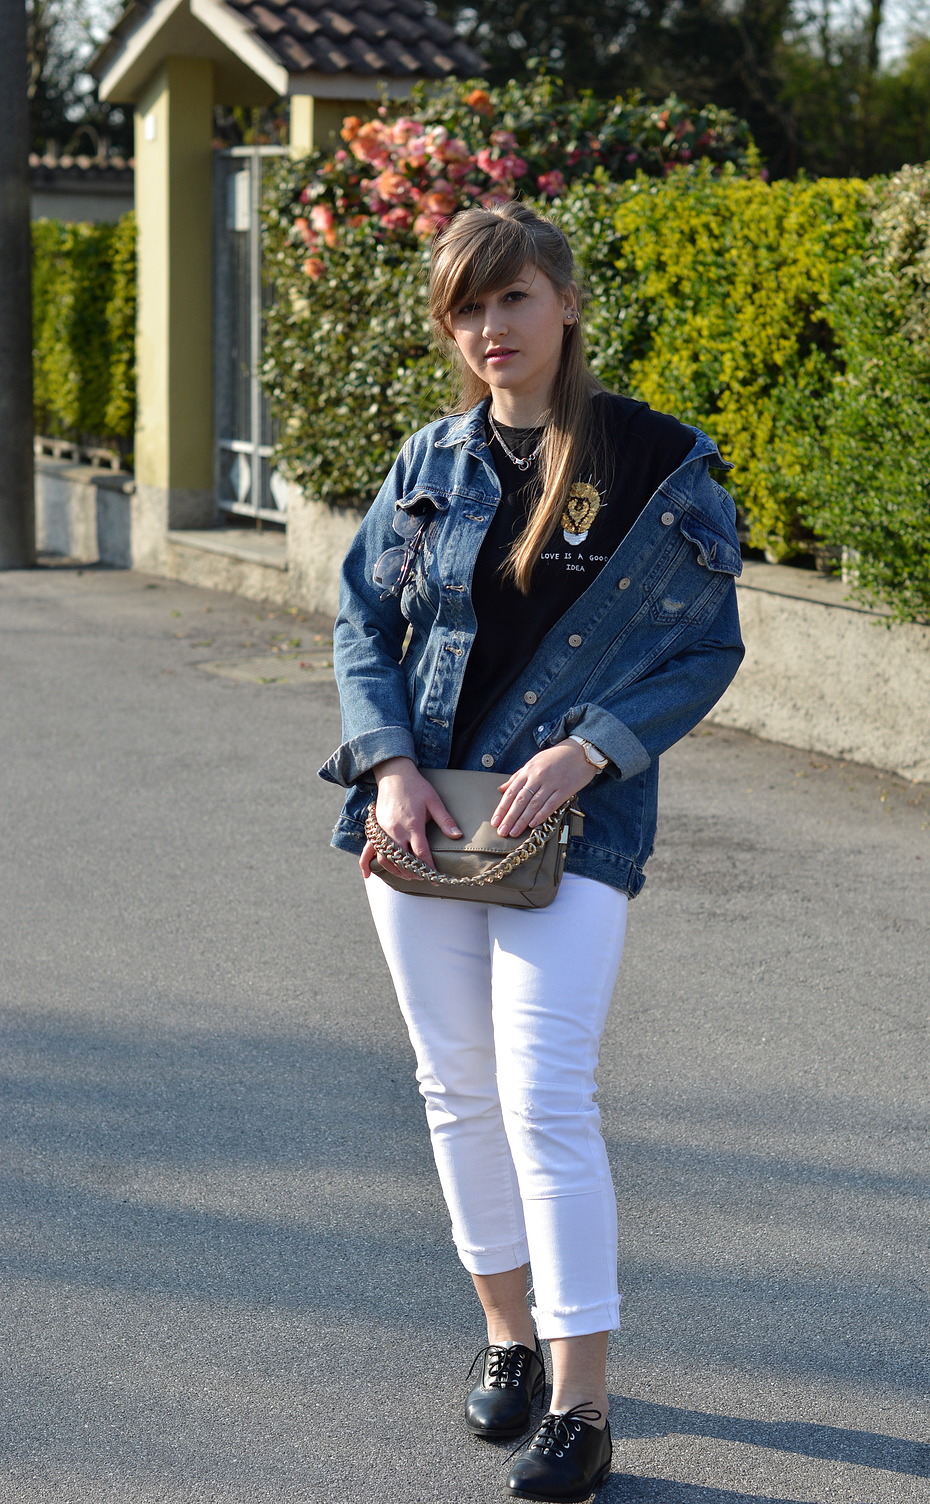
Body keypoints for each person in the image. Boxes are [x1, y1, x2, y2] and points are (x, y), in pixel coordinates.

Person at [319, 201, 744, 1503]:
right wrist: (388, 766)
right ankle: (506, 1335)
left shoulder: (658, 462)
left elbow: (705, 646)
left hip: (577, 825)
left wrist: (592, 750)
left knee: (546, 1096)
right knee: (454, 1085)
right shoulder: (431, 460)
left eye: (512, 298)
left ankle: (582, 1405)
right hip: (427, 819)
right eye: (466, 307)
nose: (490, 327)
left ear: (563, 301)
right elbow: (361, 622)